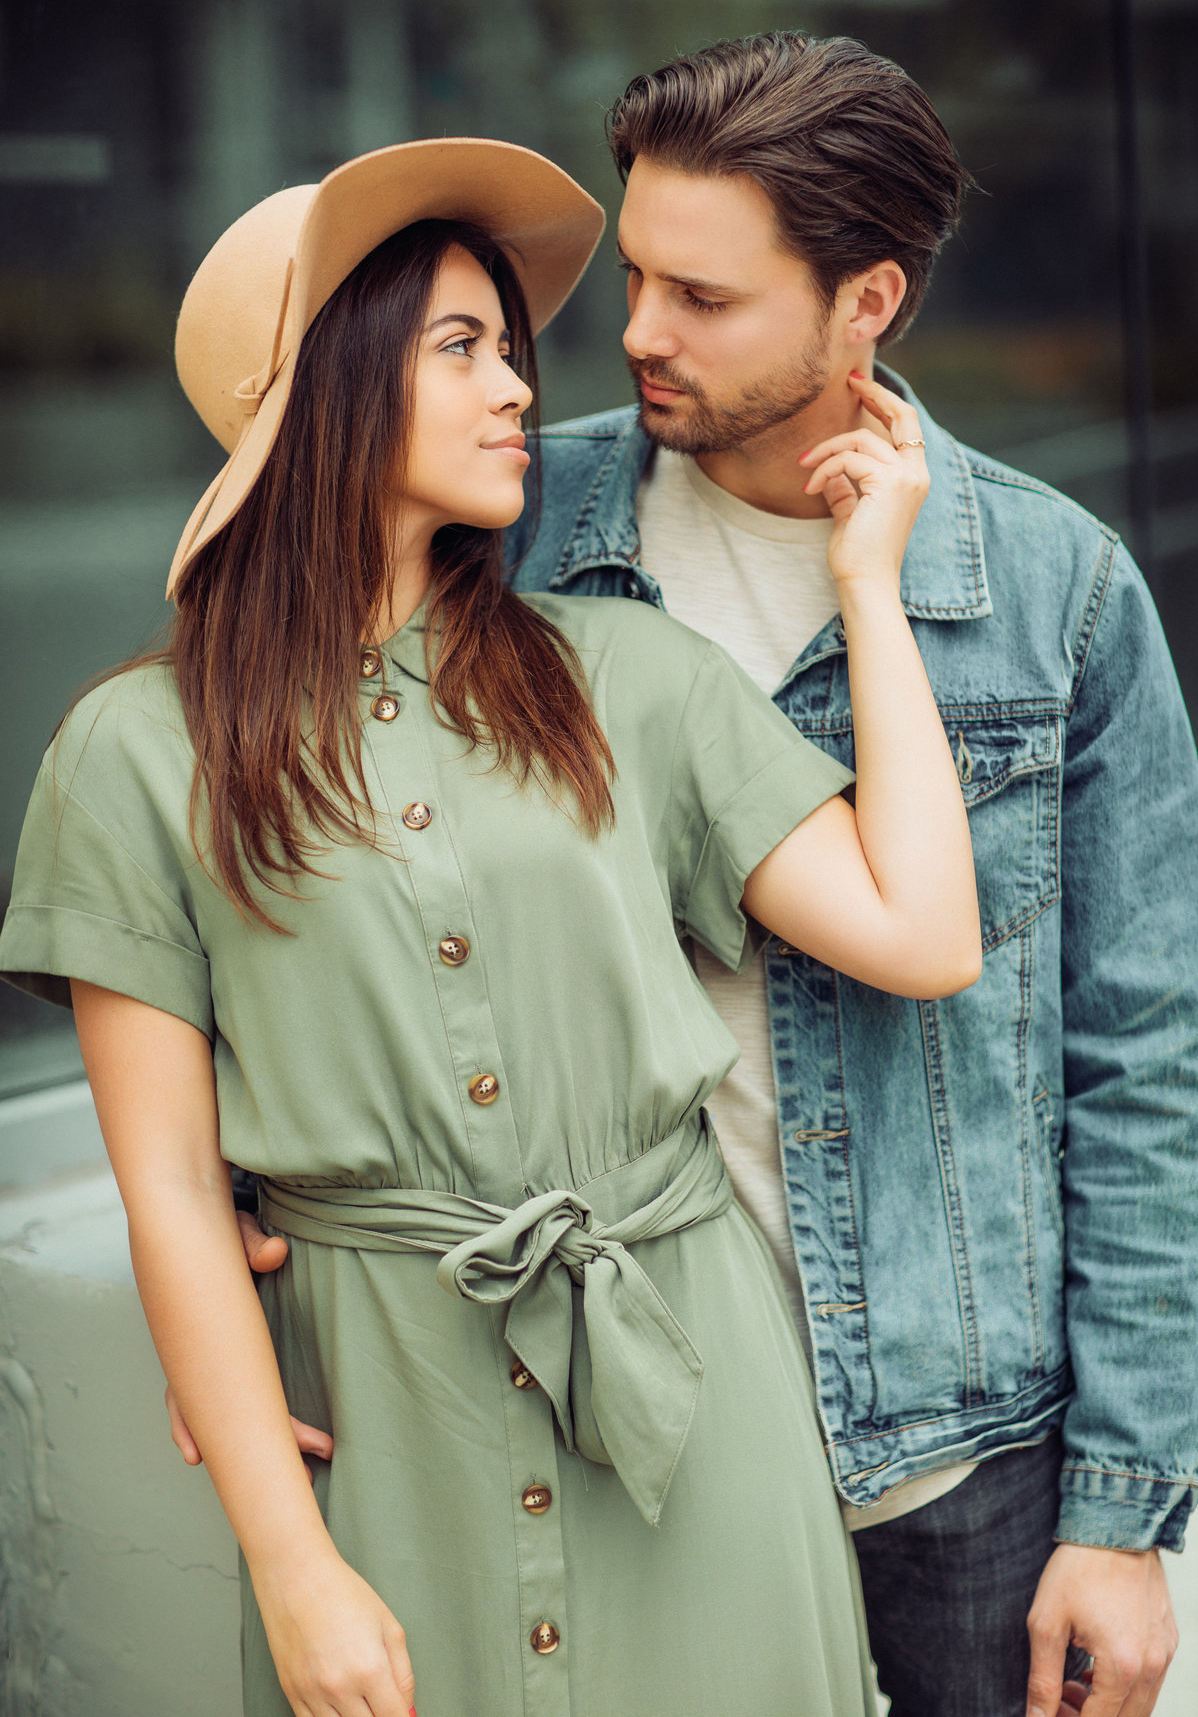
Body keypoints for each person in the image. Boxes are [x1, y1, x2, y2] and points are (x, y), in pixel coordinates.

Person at [229, 35, 1198, 1717]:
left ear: (866, 302)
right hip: (615, 1416)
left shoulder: (1063, 596)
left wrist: (1122, 1515)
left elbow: (1146, 1070)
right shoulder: (510, 527)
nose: (636, 333)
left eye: (706, 295)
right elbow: (308, 832)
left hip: (959, 1448)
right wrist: (252, 1198)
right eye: (636, 272)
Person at [0, 138, 982, 1717]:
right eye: (460, 348)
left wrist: (873, 586)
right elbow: (174, 1191)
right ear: (324, 388)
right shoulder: (136, 754)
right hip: (394, 1432)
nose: (523, 388)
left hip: (695, 1407)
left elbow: (924, 931)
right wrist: (291, 1561)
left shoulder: (629, 679)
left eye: (507, 351)